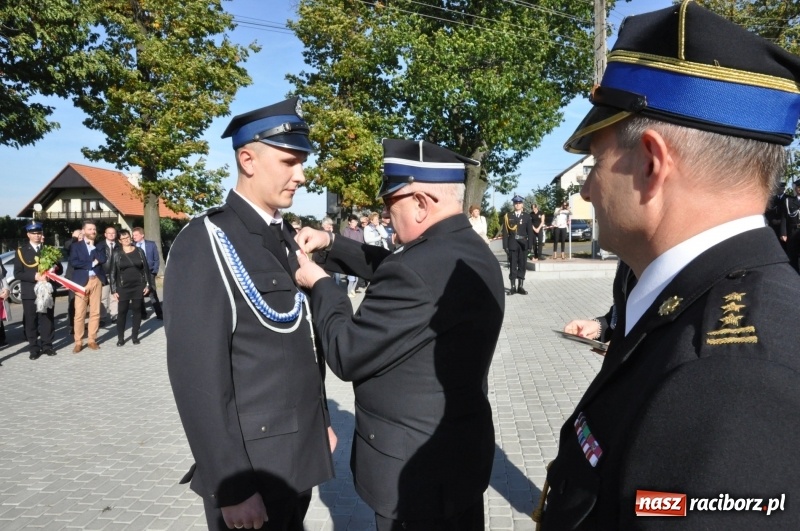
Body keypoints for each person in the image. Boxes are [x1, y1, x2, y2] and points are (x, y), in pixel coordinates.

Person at [537, 3, 800, 529]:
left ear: (652, 165)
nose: (588, 187)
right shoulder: (701, 309)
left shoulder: (727, 374)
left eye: (595, 161)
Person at [294, 138, 505, 530]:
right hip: (458, 459)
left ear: (422, 203)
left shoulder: (416, 269)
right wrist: (332, 244)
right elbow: (402, 265)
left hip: (413, 479)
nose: (387, 218)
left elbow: (345, 351)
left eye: (392, 206)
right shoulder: (472, 252)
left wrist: (322, 284)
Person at [164, 97, 334, 531]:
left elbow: (299, 348)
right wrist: (231, 485)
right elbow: (198, 378)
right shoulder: (206, 241)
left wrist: (320, 427)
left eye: (302, 162)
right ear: (248, 159)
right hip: (251, 472)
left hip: (295, 458)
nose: (301, 174)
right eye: (290, 161)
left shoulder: (283, 236)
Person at [14, 221, 60, 359]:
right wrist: (34, 276)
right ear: (28, 235)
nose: (37, 236)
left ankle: (47, 345)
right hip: (30, 291)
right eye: (33, 233)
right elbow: (18, 273)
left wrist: (55, 269)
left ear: (42, 234)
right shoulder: (21, 252)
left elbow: (60, 269)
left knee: (47, 319)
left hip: (47, 290)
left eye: (39, 233)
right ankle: (34, 348)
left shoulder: (49, 249)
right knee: (31, 320)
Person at [109, 229, 152, 346]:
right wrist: (113, 289)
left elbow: (146, 269)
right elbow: (112, 272)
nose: (126, 240)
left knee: (137, 310)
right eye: (123, 238)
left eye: (128, 237)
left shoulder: (139, 251)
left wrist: (148, 284)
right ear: (119, 240)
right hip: (123, 287)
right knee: (122, 311)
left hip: (138, 285)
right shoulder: (117, 253)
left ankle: (135, 336)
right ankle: (121, 338)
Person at [69, 220, 107, 353]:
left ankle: (92, 340)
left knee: (95, 312)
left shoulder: (98, 246)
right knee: (79, 313)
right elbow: (74, 262)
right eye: (90, 229)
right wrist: (91, 264)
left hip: (96, 280)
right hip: (81, 282)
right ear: (83, 231)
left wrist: (93, 247)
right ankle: (78, 342)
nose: (93, 231)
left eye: (94, 229)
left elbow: (103, 259)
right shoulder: (76, 246)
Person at [502, 195, 532, 295]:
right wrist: (505, 245)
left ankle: (520, 286)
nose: (517, 205)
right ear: (513, 204)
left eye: (519, 203)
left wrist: (530, 246)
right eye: (516, 203)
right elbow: (505, 232)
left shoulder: (527, 216)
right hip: (512, 243)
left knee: (522, 265)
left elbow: (530, 232)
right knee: (513, 265)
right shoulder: (508, 216)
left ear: (522, 204)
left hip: (523, 244)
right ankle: (513, 287)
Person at [132, 227, 163, 320]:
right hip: (137, 273)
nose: (134, 237)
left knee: (152, 293)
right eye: (133, 235)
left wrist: (154, 271)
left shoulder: (151, 244)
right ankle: (143, 314)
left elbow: (156, 259)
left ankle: (159, 313)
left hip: (150, 272)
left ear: (142, 235)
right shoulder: (132, 246)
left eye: (136, 235)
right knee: (139, 293)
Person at [99, 226, 119, 325]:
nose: (111, 235)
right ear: (105, 234)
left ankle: (115, 315)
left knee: (114, 296)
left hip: (115, 275)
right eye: (109, 233)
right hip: (103, 274)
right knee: (103, 297)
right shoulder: (100, 246)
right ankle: (102, 317)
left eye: (113, 233)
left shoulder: (119, 246)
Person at [340, 215, 364, 297]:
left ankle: (353, 289)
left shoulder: (360, 231)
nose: (355, 223)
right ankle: (349, 291)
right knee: (351, 275)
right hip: (350, 254)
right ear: (349, 222)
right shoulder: (346, 231)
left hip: (359, 254)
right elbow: (347, 242)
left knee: (357, 275)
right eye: (353, 222)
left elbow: (362, 242)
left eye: (356, 222)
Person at [64, 228, 83, 328]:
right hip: (72, 277)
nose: (81, 236)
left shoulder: (87, 244)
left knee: (84, 303)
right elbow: (67, 246)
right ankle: (73, 325)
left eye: (82, 234)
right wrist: (75, 237)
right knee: (73, 302)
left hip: (84, 277)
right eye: (79, 234)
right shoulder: (72, 245)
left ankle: (81, 323)